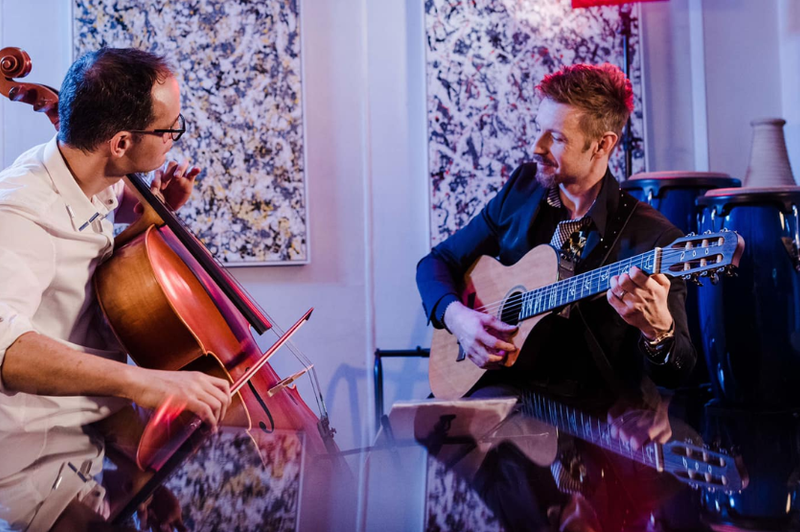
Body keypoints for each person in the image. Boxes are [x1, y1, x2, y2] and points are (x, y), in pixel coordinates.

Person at [416, 63, 697, 531]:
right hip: (501, 405)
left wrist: (658, 329)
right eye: (539, 131)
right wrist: (459, 318)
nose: (537, 148)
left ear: (603, 144)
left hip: (600, 429)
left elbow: (682, 369)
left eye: (557, 139)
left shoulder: (653, 239)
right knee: (424, 433)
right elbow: (436, 263)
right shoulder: (522, 190)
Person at [0, 48, 232, 531]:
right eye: (168, 129)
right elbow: (7, 350)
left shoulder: (100, 175)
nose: (173, 139)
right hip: (33, 455)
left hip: (96, 429)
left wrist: (158, 207)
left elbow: (109, 223)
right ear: (121, 141)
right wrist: (149, 382)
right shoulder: (17, 212)